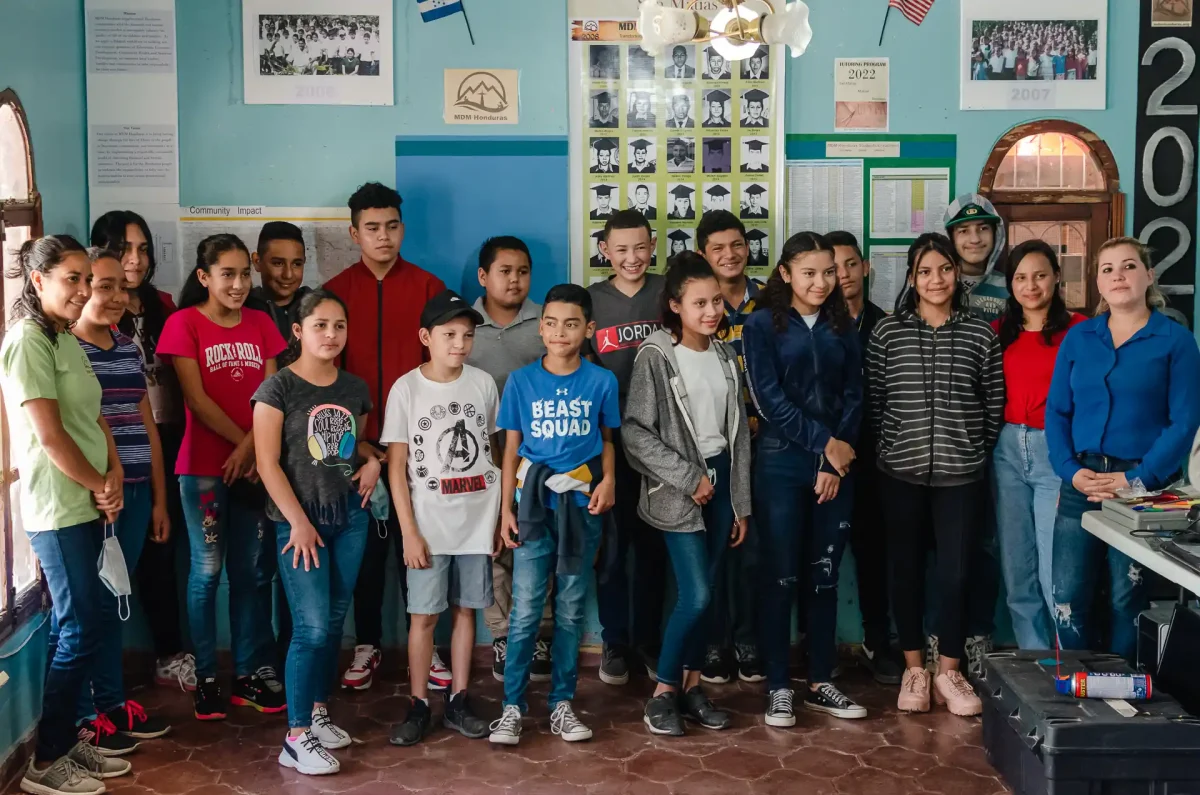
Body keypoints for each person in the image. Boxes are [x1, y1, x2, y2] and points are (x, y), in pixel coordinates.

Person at [5, 237, 133, 794]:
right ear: (38, 281)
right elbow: (51, 437)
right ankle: (45, 759)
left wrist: (115, 474)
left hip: (88, 499)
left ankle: (68, 739)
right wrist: (98, 484)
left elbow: (94, 414)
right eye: (71, 279)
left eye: (89, 279)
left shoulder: (64, 337)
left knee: (88, 621)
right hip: (57, 507)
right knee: (80, 625)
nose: (83, 290)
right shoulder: (27, 341)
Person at [866, 233, 1002, 717]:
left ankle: (948, 670)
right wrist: (894, 448)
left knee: (956, 574)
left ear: (956, 274)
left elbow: (993, 405)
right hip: (899, 473)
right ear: (911, 279)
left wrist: (967, 450)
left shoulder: (980, 333)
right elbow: (876, 402)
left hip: (961, 476)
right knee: (903, 571)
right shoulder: (888, 333)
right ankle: (914, 670)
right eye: (925, 271)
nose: (936, 279)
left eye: (944, 269)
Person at [1046, 238, 1200, 660]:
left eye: (1129, 267)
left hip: (1144, 490)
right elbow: (1057, 412)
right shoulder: (1079, 339)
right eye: (1108, 269)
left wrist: (1138, 479)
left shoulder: (1175, 340)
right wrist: (1070, 470)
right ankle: (1076, 687)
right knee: (1068, 594)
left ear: (1148, 277)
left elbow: (1184, 422)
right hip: (1082, 481)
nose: (1118, 276)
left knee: (1125, 596)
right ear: (1098, 281)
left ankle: (1123, 693)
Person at [157, 234, 289, 720]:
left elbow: (273, 393)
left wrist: (251, 451)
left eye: (243, 274)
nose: (237, 285)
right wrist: (245, 445)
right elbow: (195, 400)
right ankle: (208, 675)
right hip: (203, 472)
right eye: (226, 274)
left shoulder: (261, 323)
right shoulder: (182, 324)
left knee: (252, 576)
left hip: (256, 467)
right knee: (206, 572)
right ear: (204, 277)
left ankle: (250, 674)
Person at [325, 183, 446, 693]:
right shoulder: (335, 292)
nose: (383, 236)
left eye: (392, 226)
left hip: (421, 450)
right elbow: (324, 379)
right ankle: (368, 643)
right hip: (355, 452)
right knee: (367, 554)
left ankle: (429, 643)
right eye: (372, 228)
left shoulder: (428, 288)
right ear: (354, 232)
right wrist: (363, 449)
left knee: (418, 548)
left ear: (403, 228)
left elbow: (443, 371)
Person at [743, 232, 867, 726]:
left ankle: (821, 680)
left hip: (836, 467)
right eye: (809, 272)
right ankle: (778, 685)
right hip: (779, 463)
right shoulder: (760, 324)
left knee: (823, 576)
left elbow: (856, 393)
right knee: (779, 576)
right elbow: (767, 399)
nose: (821, 282)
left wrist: (834, 458)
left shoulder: (843, 325)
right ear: (786, 273)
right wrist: (824, 444)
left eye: (829, 272)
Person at [253, 290, 379, 777]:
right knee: (308, 627)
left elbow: (352, 445)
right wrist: (298, 523)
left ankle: (318, 713)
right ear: (298, 331)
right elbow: (267, 463)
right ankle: (296, 736)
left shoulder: (354, 387)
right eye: (321, 325)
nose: (331, 335)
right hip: (297, 522)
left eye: (339, 326)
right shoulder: (278, 389)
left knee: (332, 622)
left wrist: (370, 461)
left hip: (348, 517)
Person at [623, 253, 750, 736]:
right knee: (694, 595)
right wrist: (686, 476)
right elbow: (636, 432)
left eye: (716, 301)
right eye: (699, 303)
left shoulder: (723, 355)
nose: (711, 311)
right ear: (675, 305)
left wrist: (740, 504)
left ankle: (693, 687)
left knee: (709, 593)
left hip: (721, 482)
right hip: (681, 490)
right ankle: (663, 694)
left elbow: (736, 436)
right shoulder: (657, 355)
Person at [487, 285, 619, 746]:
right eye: (551, 322)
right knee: (524, 612)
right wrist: (505, 509)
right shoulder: (521, 382)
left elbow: (607, 439)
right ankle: (511, 707)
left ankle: (562, 702)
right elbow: (508, 450)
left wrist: (608, 480)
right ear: (541, 327)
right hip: (532, 510)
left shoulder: (602, 382)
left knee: (569, 611)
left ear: (589, 330)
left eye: (571, 323)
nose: (560, 332)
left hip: (583, 509)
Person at [383, 291, 499, 746]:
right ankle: (418, 704)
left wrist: (495, 519)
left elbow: (491, 448)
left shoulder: (483, 383)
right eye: (449, 334)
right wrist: (409, 531)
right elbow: (397, 466)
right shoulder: (406, 388)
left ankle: (459, 698)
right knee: (424, 617)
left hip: (475, 523)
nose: (460, 344)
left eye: (467, 335)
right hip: (428, 528)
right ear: (425, 337)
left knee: (466, 610)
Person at [71, 248, 173, 752]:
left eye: (119, 287)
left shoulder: (128, 346)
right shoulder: (66, 349)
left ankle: (112, 705)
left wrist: (158, 498)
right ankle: (91, 713)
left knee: (118, 598)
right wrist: (100, 484)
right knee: (93, 603)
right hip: (95, 493)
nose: (113, 297)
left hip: (134, 490)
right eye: (101, 286)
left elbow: (146, 425)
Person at [91, 211, 195, 692]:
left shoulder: (165, 305)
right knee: (116, 560)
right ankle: (104, 677)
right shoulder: (86, 318)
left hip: (165, 436)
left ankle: (170, 652)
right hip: (110, 445)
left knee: (164, 542)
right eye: (123, 248)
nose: (135, 259)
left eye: (143, 249)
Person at [990, 241, 1085, 651]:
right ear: (1010, 284)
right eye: (1021, 278)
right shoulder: (999, 333)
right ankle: (1034, 665)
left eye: (1040, 275)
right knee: (1017, 568)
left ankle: (1067, 664)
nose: (1031, 286)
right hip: (1007, 450)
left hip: (1057, 452)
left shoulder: (1081, 330)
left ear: (1057, 277)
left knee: (1054, 571)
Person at [466, 238, 553, 683]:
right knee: (495, 545)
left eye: (522, 271)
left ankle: (538, 632)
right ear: (483, 277)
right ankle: (502, 635)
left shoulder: (545, 322)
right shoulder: (465, 327)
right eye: (505, 271)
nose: (514, 279)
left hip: (538, 454)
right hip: (482, 454)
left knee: (537, 540)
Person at [589, 211, 668, 686]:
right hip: (608, 445)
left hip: (662, 444)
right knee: (613, 550)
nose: (631, 258)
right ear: (605, 251)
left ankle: (650, 640)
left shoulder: (667, 292)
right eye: (620, 250)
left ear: (653, 245)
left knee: (655, 549)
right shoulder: (592, 300)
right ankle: (614, 640)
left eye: (639, 248)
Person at [826, 231, 903, 685]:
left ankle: (878, 639)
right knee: (822, 556)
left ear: (866, 267)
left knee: (875, 554)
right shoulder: (816, 325)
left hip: (878, 460)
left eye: (851, 264)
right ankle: (821, 645)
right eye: (833, 267)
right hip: (830, 458)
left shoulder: (887, 324)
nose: (843, 275)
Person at [694, 211, 765, 686]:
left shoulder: (770, 302)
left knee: (753, 551)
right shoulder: (700, 307)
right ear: (703, 254)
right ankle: (715, 642)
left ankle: (748, 639)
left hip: (767, 444)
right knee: (715, 547)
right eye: (718, 247)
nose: (730, 254)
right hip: (714, 447)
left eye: (737, 244)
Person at [940, 195, 1007, 672]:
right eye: (964, 232)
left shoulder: (1012, 286)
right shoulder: (932, 285)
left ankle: (978, 639)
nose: (974, 238)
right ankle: (937, 640)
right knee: (938, 550)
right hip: (938, 443)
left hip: (993, 436)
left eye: (983, 229)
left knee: (984, 545)